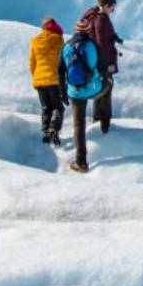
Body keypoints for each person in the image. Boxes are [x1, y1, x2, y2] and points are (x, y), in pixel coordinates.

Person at [62, 23, 108, 173]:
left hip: (75, 92)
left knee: (78, 125)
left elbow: (59, 70)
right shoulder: (93, 46)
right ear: (89, 31)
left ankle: (81, 162)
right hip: (94, 89)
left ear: (75, 31)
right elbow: (103, 67)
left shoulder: (67, 47)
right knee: (108, 87)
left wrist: (63, 92)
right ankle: (104, 124)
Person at [77, 0, 126, 134]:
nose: (113, 11)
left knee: (99, 87)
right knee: (107, 88)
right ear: (105, 6)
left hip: (92, 60)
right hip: (103, 61)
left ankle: (97, 119)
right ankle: (105, 124)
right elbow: (102, 43)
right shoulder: (102, 21)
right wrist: (110, 62)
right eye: (112, 8)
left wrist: (113, 37)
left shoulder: (91, 16)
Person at [29, 17, 66, 146]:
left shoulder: (36, 41)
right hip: (54, 80)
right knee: (58, 107)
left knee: (46, 108)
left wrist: (37, 77)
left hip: (39, 81)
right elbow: (63, 61)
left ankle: (45, 132)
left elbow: (32, 63)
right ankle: (54, 130)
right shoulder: (59, 40)